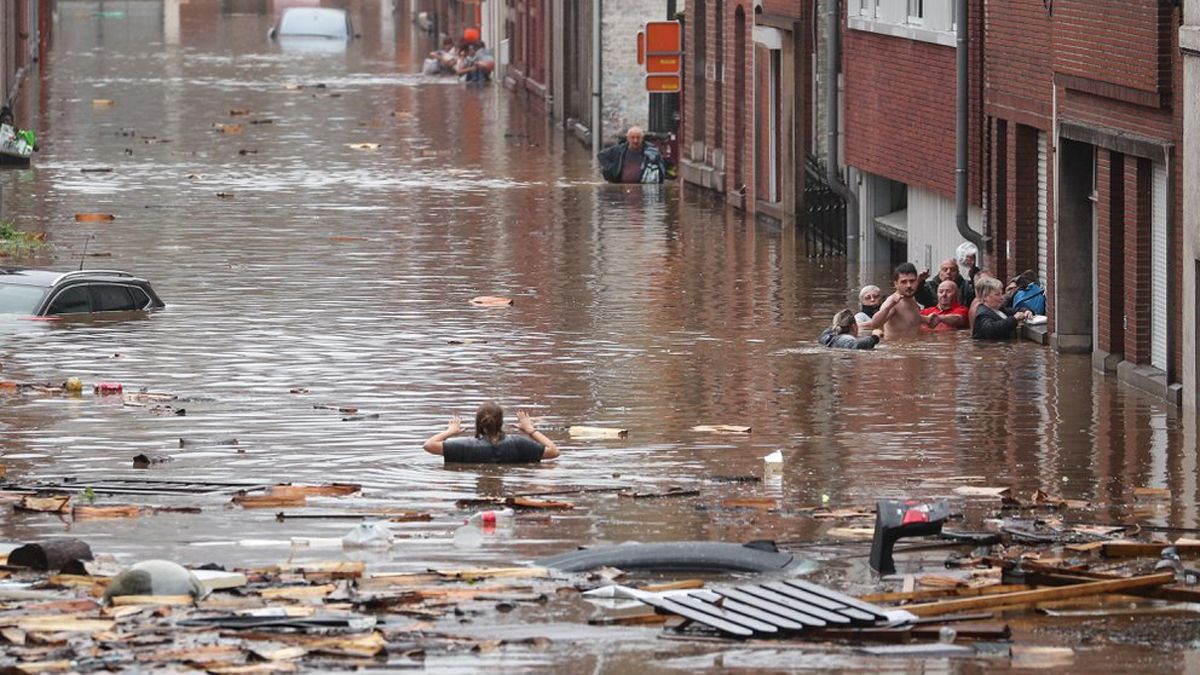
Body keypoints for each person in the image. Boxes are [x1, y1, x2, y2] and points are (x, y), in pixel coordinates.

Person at [423, 402, 559, 463]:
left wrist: (449, 432)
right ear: (501, 422)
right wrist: (530, 430)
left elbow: (429, 445)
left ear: (478, 423)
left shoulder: (464, 446)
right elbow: (554, 451)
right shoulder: (520, 444)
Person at [865, 262, 924, 339]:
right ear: (896, 284)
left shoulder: (912, 299)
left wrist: (927, 319)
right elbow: (875, 324)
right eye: (903, 282)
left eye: (912, 281)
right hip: (895, 349)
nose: (909, 285)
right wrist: (888, 306)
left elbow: (908, 319)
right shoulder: (892, 302)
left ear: (916, 282)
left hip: (912, 348)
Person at [597, 126, 669, 184]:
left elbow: (661, 169)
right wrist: (611, 168)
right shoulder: (619, 150)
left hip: (643, 189)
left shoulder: (652, 152)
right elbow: (601, 155)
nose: (635, 141)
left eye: (638, 138)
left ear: (642, 138)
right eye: (633, 137)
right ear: (628, 138)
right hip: (622, 190)